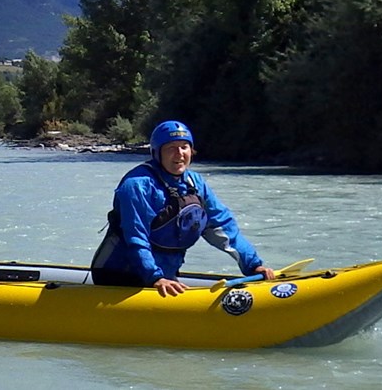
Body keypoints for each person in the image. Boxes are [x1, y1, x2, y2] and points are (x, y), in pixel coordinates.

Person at [89, 120, 274, 296]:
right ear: (156, 153)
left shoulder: (195, 183)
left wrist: (254, 265)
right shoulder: (137, 185)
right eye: (171, 148)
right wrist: (155, 277)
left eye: (184, 147)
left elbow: (224, 228)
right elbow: (136, 237)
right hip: (119, 277)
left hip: (163, 277)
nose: (179, 154)